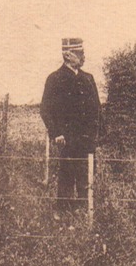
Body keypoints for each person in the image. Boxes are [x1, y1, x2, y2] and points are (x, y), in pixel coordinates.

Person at [40, 38, 102, 212]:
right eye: (79, 53)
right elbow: (45, 109)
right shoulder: (55, 78)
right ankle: (64, 213)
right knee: (67, 176)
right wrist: (57, 133)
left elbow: (97, 108)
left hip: (87, 138)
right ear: (67, 55)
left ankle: (85, 211)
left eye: (83, 52)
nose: (83, 56)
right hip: (66, 139)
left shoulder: (88, 78)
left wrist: (98, 134)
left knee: (87, 175)